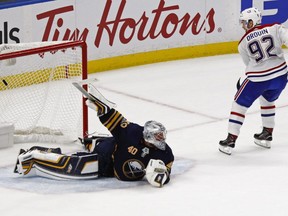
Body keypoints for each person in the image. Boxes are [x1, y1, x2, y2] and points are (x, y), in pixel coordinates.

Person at [14, 84, 174, 187]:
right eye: (157, 137)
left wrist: (161, 176)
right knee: (74, 168)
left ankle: (93, 140)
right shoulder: (131, 132)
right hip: (105, 159)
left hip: (115, 159)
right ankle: (31, 158)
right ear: (147, 137)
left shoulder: (165, 153)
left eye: (161, 136)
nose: (161, 140)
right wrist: (103, 109)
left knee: (108, 142)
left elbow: (166, 171)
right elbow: (117, 121)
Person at [219, 7, 288, 155]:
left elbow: (249, 64)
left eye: (245, 22)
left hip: (259, 79)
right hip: (281, 77)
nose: (243, 26)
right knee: (267, 99)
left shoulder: (242, 43)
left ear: (252, 22)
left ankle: (231, 139)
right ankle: (267, 133)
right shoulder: (275, 28)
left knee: (238, 104)